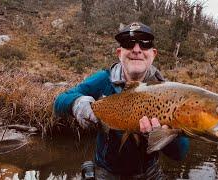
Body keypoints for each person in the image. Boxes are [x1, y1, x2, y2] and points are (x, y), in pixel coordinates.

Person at [54, 22, 189, 179]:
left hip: (149, 173)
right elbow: (59, 101)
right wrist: (78, 104)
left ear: (153, 54)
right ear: (119, 53)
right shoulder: (103, 80)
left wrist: (161, 135)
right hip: (106, 172)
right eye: (128, 43)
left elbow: (180, 153)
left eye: (144, 44)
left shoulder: (168, 91)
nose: (136, 49)